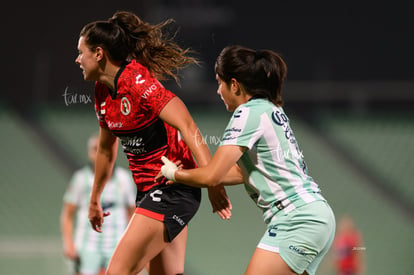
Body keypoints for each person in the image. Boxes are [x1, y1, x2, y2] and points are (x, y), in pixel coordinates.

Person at [74, 10, 231, 275]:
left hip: (172, 188)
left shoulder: (137, 82)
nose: (78, 59)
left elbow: (188, 126)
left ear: (99, 53)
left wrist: (212, 182)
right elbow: (105, 148)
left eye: (81, 52)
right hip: (149, 192)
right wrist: (94, 199)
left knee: (116, 271)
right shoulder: (102, 92)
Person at [160, 45, 336, 275]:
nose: (217, 91)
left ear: (234, 85)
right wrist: (192, 177)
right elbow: (241, 172)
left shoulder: (247, 114)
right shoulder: (270, 109)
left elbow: (213, 174)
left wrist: (174, 174)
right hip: (314, 215)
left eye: (219, 82)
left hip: (297, 221)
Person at [60, 134, 139, 275]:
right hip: (87, 244)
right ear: (89, 153)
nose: (98, 153)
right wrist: (69, 244)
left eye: (101, 148)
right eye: (94, 149)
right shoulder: (80, 179)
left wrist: (132, 244)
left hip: (117, 243)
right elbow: (67, 215)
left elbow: (133, 213)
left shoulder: (124, 178)